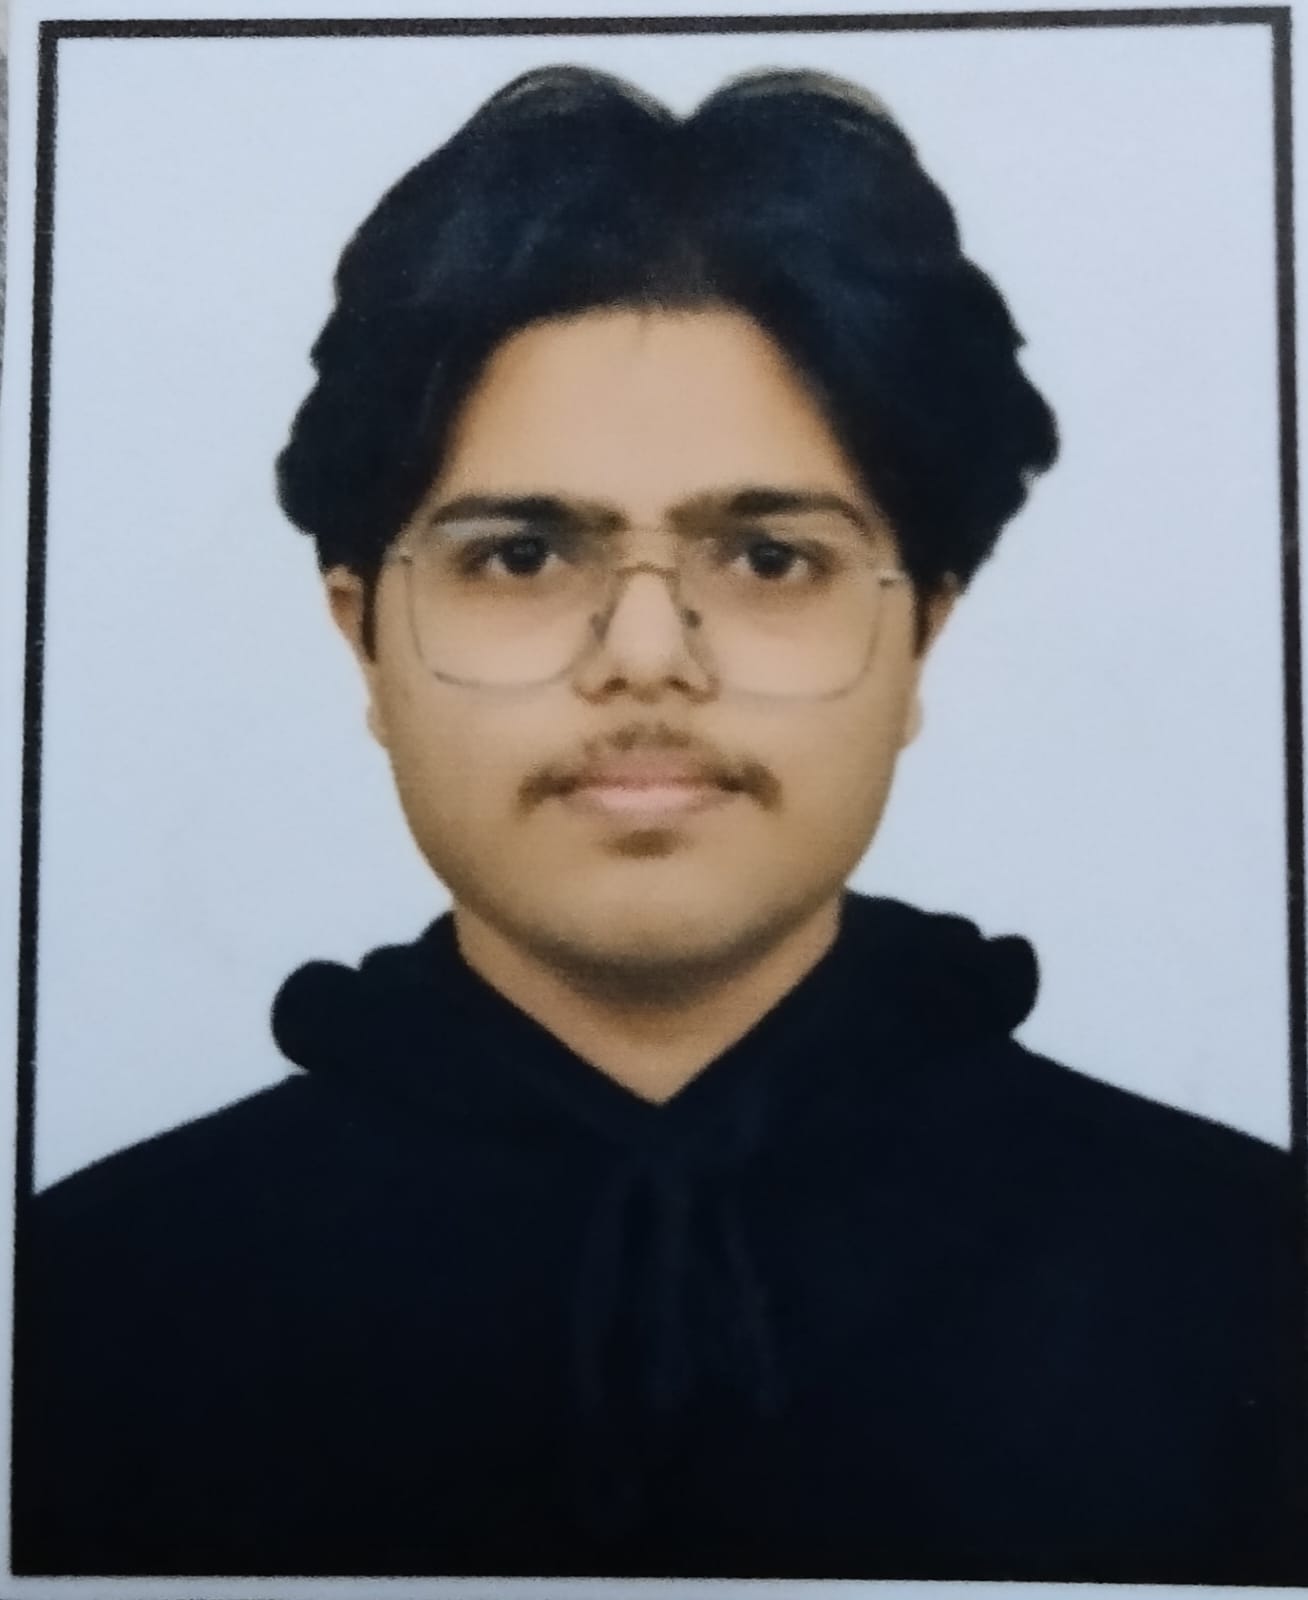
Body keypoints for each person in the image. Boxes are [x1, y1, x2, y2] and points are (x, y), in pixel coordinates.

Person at [12, 64, 1303, 1582]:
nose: (643, 657)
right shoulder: (71, 1308)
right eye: (520, 555)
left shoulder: (1251, 1277)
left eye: (768, 557)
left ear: (920, 638)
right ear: (364, 638)